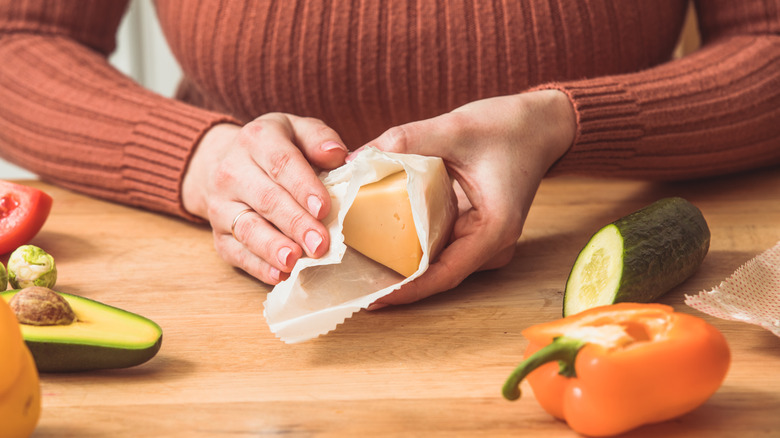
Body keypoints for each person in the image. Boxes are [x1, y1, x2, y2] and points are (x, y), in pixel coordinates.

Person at [0, 1, 778, 308]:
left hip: (582, 239)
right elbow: (21, 37)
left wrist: (564, 123)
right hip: (221, 267)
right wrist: (202, 161)